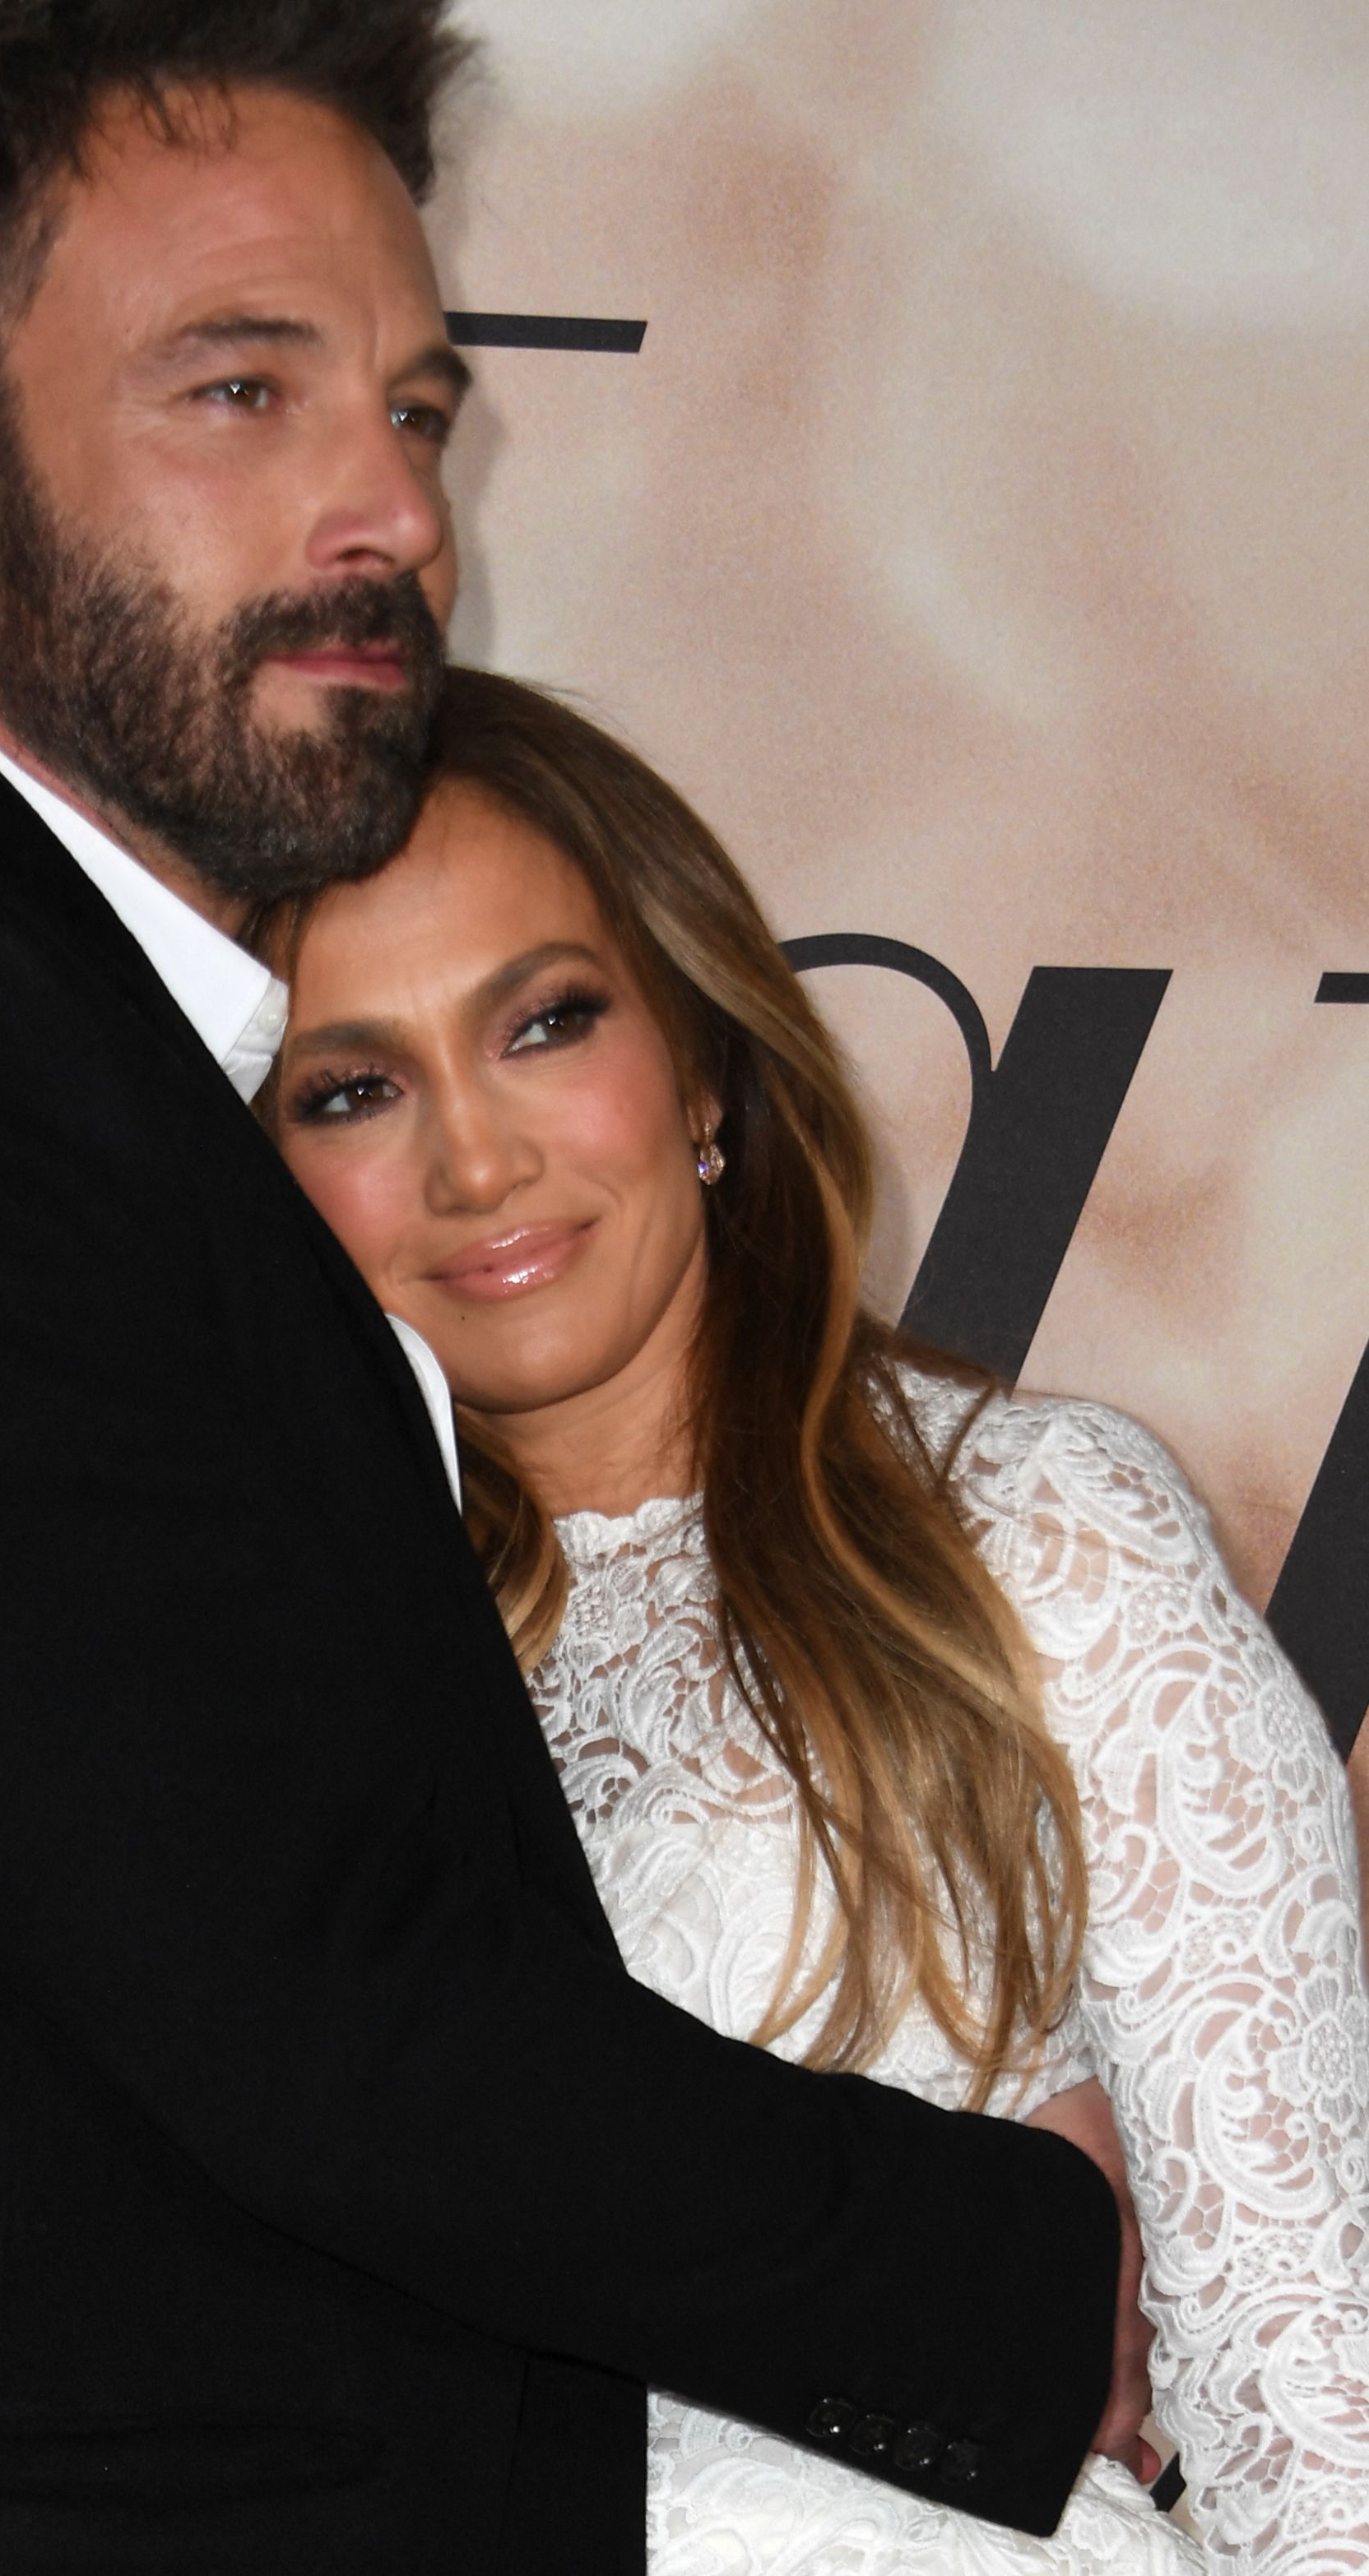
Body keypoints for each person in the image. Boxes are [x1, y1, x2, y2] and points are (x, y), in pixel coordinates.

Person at [0, 3, 1133, 2569]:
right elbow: (311, 2009)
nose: (386, 509)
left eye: (420, 412)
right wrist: (1013, 2273)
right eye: (241, 393)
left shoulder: (26, 1044)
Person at [262, 665, 1369, 2574]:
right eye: (352, 1086)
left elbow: (1306, 2399)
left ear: (698, 1062)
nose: (472, 1160)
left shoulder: (1030, 1531)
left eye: (542, 1025)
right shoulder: (252, 1678)